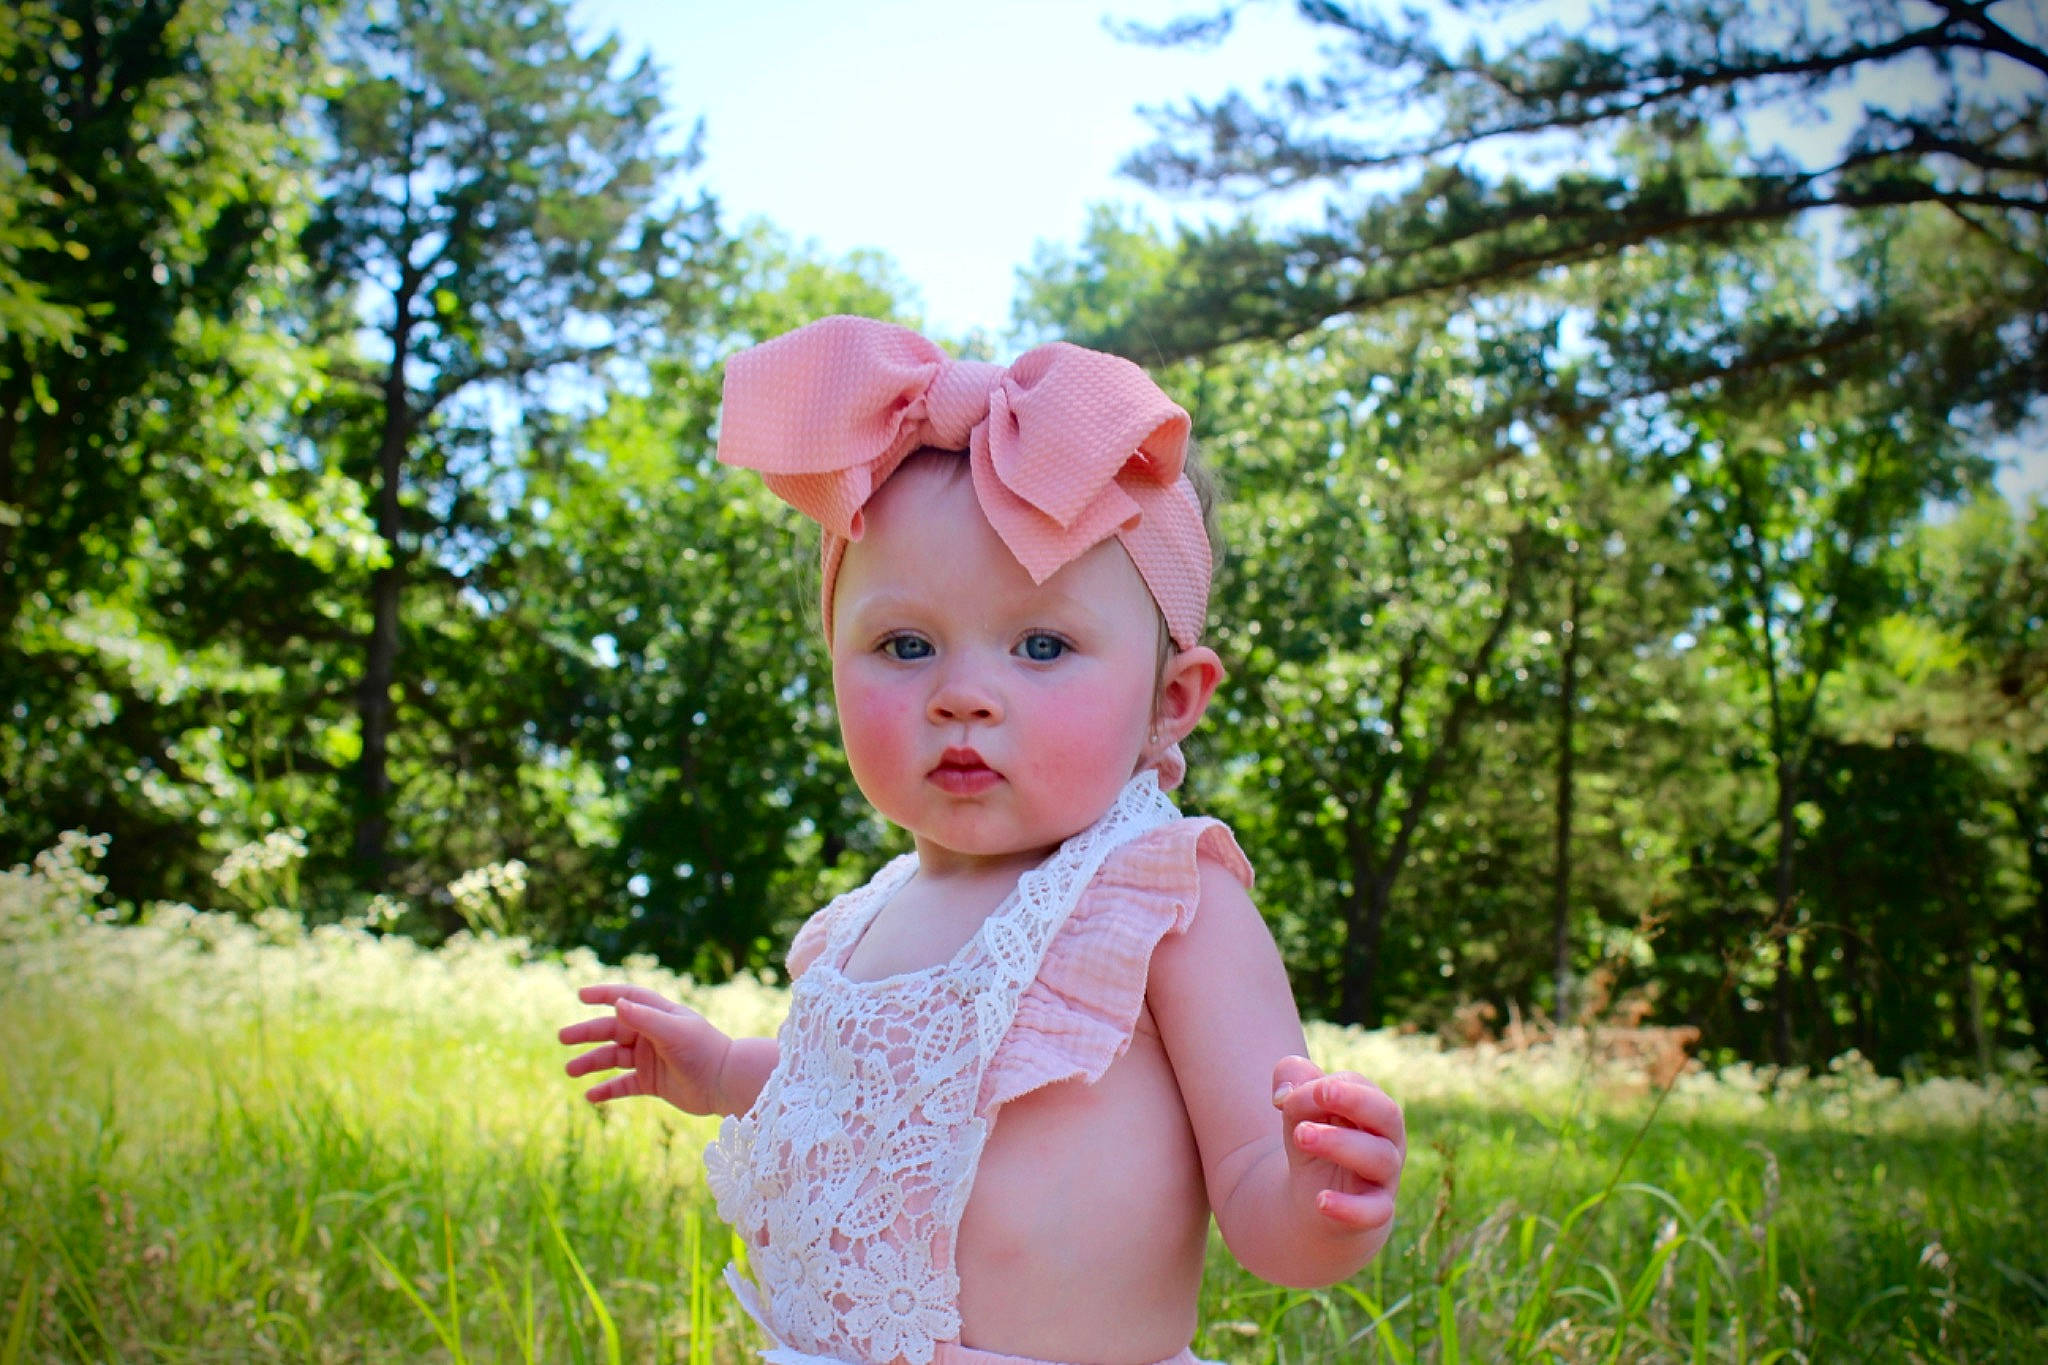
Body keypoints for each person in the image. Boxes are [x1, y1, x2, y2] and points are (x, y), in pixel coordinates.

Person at [558, 316, 1405, 1365]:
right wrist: (731, 1070)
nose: (963, 694)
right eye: (904, 643)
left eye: (1041, 644)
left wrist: (1318, 1195)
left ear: (1170, 700)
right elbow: (883, 1101)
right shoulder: (864, 918)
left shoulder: (1161, 897)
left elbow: (1249, 1180)